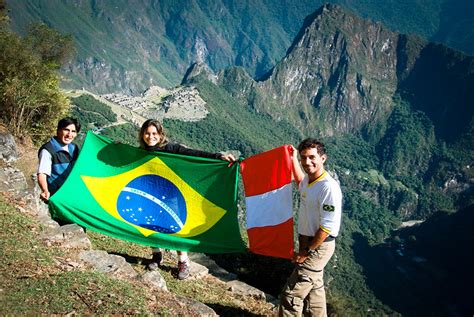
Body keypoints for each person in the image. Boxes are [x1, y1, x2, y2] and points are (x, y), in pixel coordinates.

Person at [138, 119, 235, 280]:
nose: (150, 136)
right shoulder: (140, 152)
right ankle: (156, 255)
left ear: (161, 135)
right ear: (142, 134)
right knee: (150, 223)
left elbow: (194, 154)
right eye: (147, 133)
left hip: (171, 196)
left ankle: (183, 262)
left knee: (175, 227)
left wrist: (218, 156)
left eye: (154, 133)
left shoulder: (171, 149)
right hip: (150, 194)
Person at [278, 138, 342, 317]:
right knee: (315, 290)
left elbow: (327, 227)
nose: (307, 162)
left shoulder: (328, 188)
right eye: (303, 158)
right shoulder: (309, 181)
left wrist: (306, 251)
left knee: (291, 295)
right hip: (308, 244)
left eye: (312, 157)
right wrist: (291, 159)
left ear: (323, 158)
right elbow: (301, 183)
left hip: (317, 246)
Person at [37, 117, 81, 203]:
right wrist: (45, 190)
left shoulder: (74, 148)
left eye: (73, 131)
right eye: (66, 130)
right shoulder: (48, 150)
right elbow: (42, 173)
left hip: (70, 193)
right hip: (56, 196)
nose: (69, 134)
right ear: (59, 130)